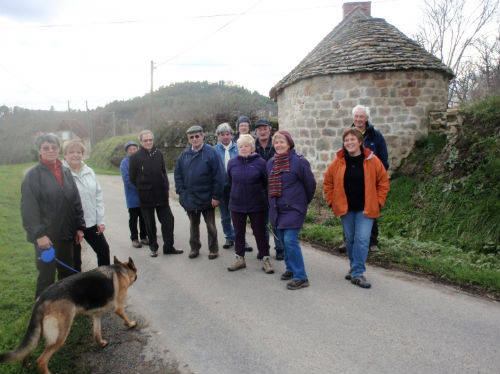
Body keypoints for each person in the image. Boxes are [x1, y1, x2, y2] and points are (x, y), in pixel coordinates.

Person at [323, 128, 390, 289]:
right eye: (346, 140)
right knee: (351, 239)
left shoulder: (372, 161)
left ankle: (358, 272)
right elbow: (328, 182)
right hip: (346, 209)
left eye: (353, 139)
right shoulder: (338, 161)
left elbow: (383, 182)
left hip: (366, 208)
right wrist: (332, 201)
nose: (349, 143)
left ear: (360, 142)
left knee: (362, 239)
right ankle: (354, 266)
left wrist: (379, 201)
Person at [21, 133, 85, 298]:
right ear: (39, 151)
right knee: (46, 278)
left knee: (67, 275)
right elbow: (29, 209)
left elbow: (75, 201)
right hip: (46, 239)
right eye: (46, 148)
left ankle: (64, 309)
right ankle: (41, 315)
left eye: (54, 147)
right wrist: (39, 235)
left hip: (66, 235)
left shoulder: (65, 172)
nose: (50, 151)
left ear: (58, 149)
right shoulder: (33, 176)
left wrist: (79, 227)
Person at [267, 130, 316, 290]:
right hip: (277, 208)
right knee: (282, 239)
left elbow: (310, 185)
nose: (279, 145)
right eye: (276, 142)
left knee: (290, 240)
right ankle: (290, 268)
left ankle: (301, 277)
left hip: (294, 208)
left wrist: (302, 203)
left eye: (282, 142)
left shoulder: (299, 161)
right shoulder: (271, 163)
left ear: (289, 143)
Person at [129, 130, 183, 257]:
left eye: (150, 140)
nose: (148, 142)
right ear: (141, 142)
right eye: (145, 140)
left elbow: (163, 172)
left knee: (168, 221)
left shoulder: (158, 153)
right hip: (146, 196)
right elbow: (132, 178)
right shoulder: (135, 157)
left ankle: (169, 247)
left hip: (161, 195)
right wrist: (143, 186)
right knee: (150, 224)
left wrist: (166, 187)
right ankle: (153, 248)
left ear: (153, 140)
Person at [175, 126, 224, 260]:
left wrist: (216, 196)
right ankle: (194, 248)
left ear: (202, 136)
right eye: (192, 137)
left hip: (208, 197)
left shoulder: (211, 153)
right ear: (188, 139)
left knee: (211, 225)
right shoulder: (184, 154)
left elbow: (219, 176)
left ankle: (213, 249)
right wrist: (181, 192)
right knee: (193, 225)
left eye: (197, 136)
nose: (195, 139)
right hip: (190, 198)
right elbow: (178, 174)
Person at [226, 134, 274, 274]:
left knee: (259, 232)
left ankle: (265, 258)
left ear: (252, 147)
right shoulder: (232, 163)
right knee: (238, 233)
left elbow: (266, 182)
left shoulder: (260, 163)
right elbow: (230, 181)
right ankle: (239, 258)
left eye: (246, 146)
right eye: (241, 146)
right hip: (237, 203)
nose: (243, 148)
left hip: (257, 203)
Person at [62, 139, 110, 271]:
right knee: (75, 260)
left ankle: (103, 282)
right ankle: (76, 288)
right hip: (72, 226)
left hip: (91, 222)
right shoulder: (61, 174)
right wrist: (77, 227)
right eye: (71, 152)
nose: (75, 155)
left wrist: (100, 221)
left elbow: (98, 196)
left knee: (104, 251)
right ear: (64, 155)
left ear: (82, 154)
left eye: (78, 152)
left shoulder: (89, 171)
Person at [349, 104, 389, 252]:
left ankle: (372, 242)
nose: (359, 119)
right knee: (350, 209)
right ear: (353, 118)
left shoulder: (375, 135)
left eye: (361, 116)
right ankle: (348, 240)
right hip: (353, 179)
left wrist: (380, 177)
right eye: (356, 116)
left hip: (371, 180)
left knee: (371, 209)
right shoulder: (349, 134)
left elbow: (383, 159)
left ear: (367, 118)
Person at [254, 119, 285, 261]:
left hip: (276, 187)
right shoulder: (252, 146)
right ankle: (264, 249)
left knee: (276, 221)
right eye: (259, 129)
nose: (262, 131)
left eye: (264, 128)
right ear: (256, 132)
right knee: (262, 222)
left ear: (269, 130)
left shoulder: (277, 144)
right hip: (258, 189)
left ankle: (279, 249)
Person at [212, 123, 238, 249]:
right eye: (222, 134)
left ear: (231, 135)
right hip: (221, 187)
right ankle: (229, 237)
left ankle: (240, 238)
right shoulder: (214, 150)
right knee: (225, 215)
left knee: (238, 215)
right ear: (219, 136)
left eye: (228, 134)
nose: (225, 137)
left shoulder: (238, 148)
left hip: (237, 187)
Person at [120, 141, 148, 248]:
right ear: (127, 151)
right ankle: (135, 239)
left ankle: (144, 237)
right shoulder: (124, 162)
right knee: (133, 218)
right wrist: (140, 187)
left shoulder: (142, 160)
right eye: (130, 149)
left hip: (144, 194)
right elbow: (127, 179)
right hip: (132, 195)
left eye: (134, 149)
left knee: (144, 217)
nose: (132, 151)